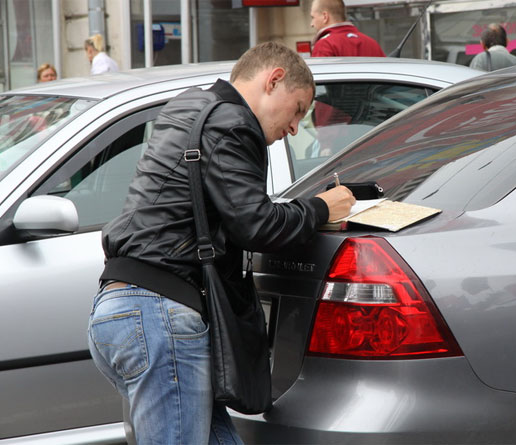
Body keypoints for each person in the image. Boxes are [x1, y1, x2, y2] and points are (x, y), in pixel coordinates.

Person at [87, 41, 354, 444]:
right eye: (298, 109)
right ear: (274, 80)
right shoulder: (232, 122)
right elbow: (257, 225)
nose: (295, 128)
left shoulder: (189, 106)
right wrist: (320, 208)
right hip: (159, 318)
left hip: (121, 308)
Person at [310, 0, 385, 57]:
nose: (311, 24)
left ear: (325, 16)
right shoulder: (372, 44)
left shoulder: (325, 45)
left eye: (313, 17)